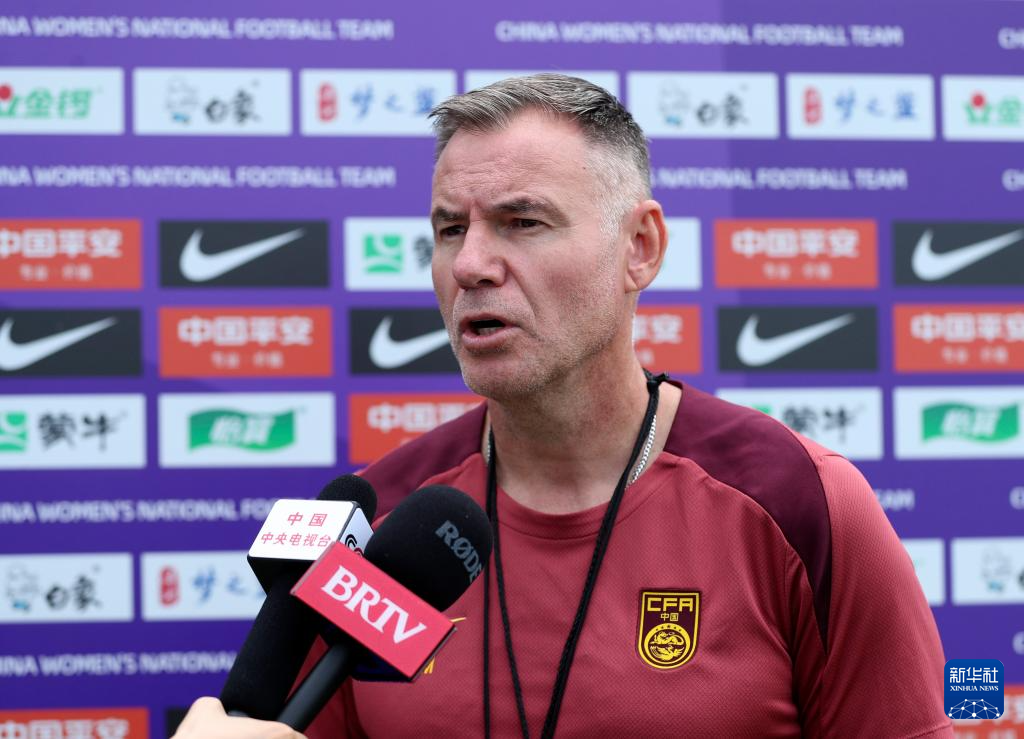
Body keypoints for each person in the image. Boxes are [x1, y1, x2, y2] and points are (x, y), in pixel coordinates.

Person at [174, 74, 951, 738]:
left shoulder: (800, 503)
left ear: (640, 247)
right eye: (450, 228)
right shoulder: (382, 531)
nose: (471, 264)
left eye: (523, 222)